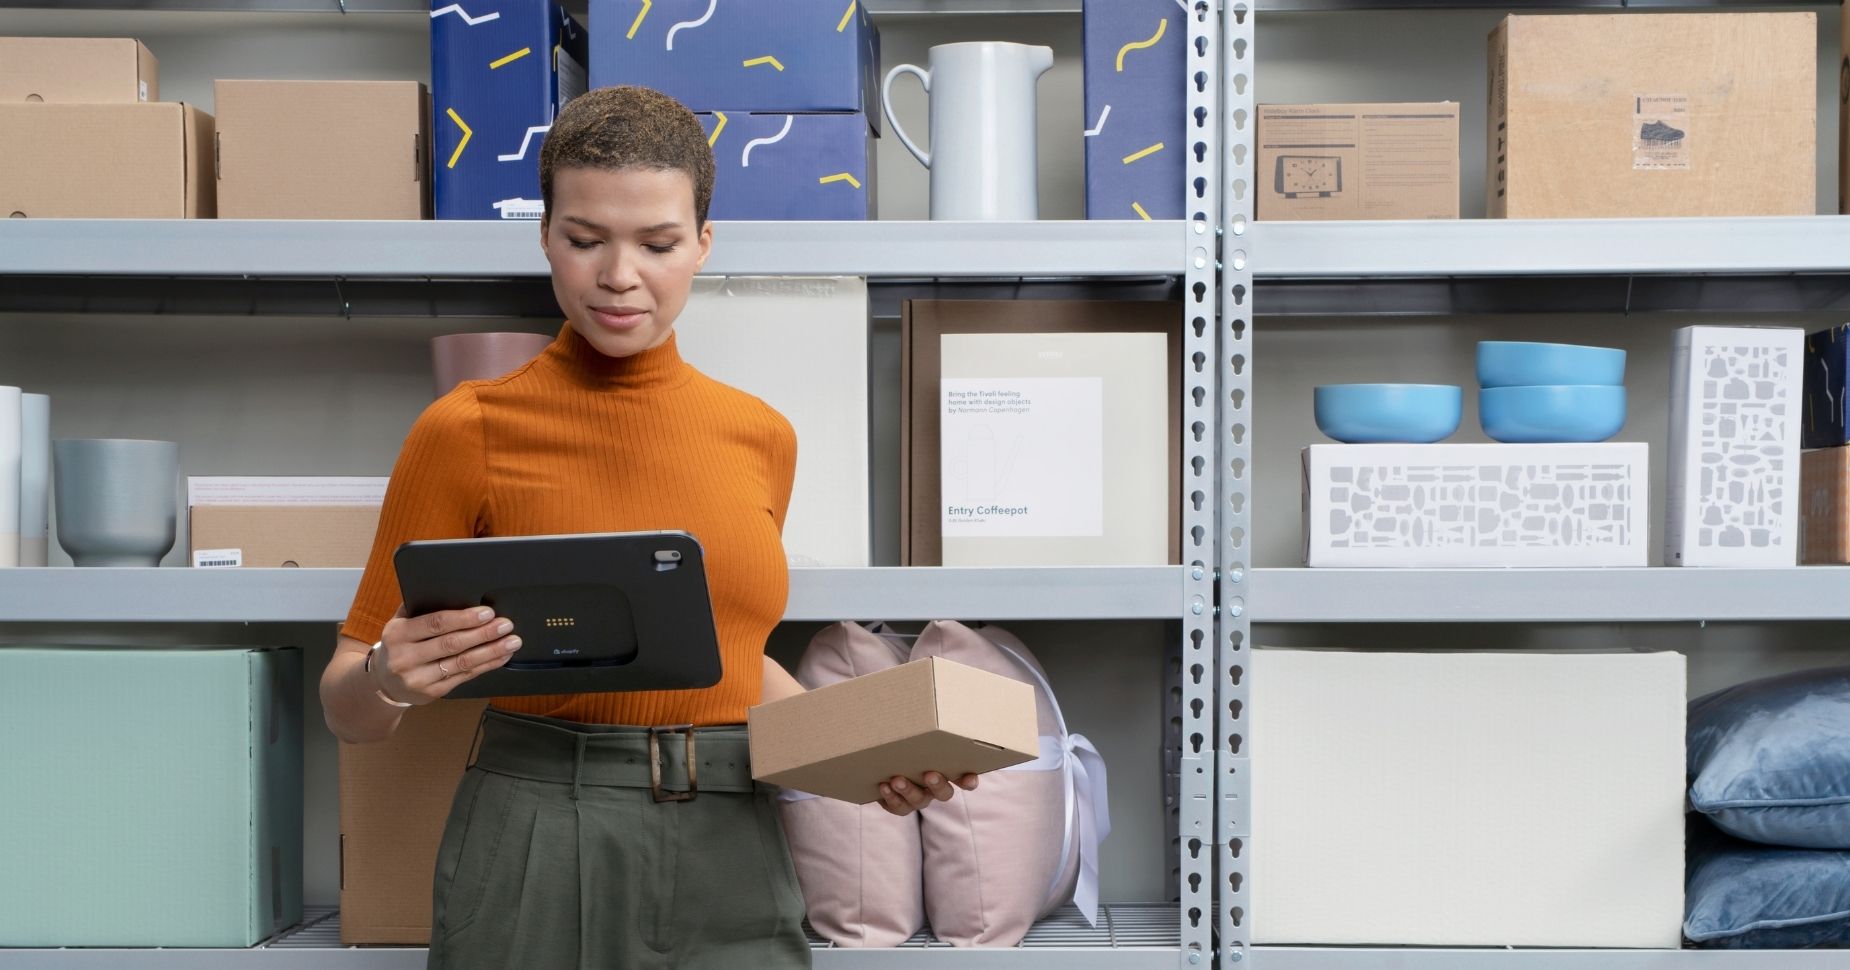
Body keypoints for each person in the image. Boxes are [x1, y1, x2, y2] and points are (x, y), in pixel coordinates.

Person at [319, 85, 976, 970]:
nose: (619, 275)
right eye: (585, 240)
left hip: (733, 835)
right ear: (545, 237)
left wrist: (870, 757)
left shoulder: (761, 435)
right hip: (539, 833)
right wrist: (392, 675)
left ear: (703, 243)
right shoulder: (465, 429)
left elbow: (734, 663)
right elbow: (349, 708)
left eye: (658, 243)